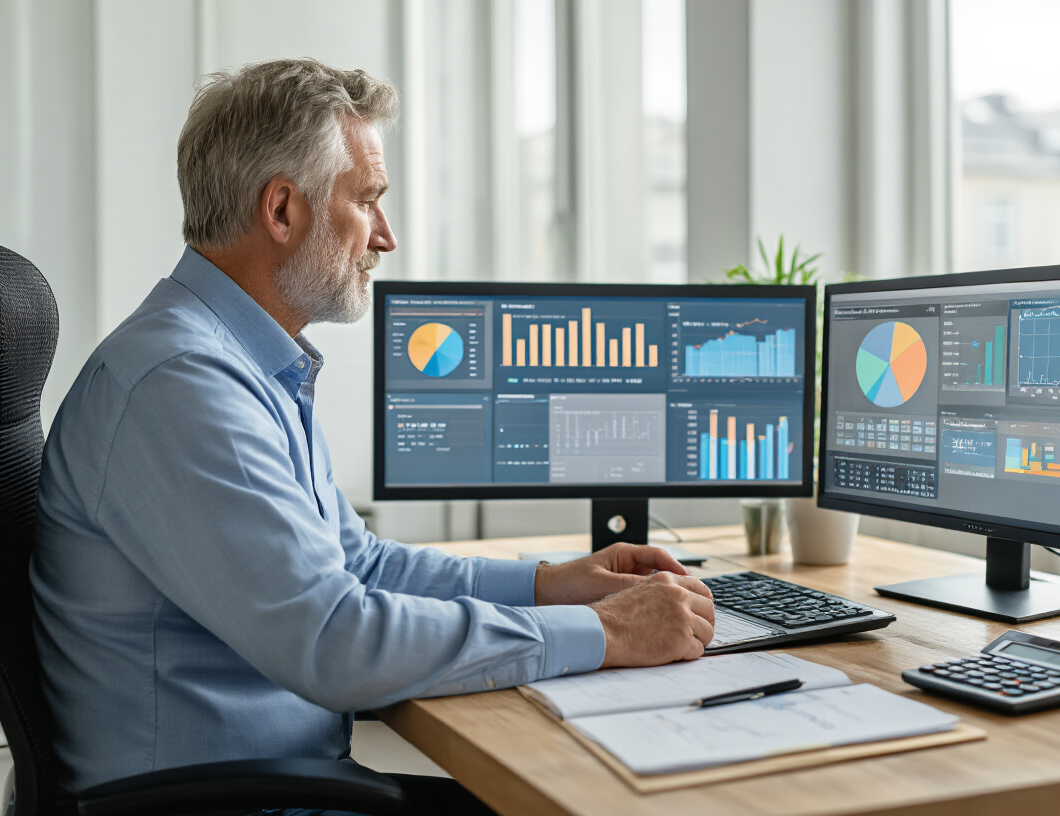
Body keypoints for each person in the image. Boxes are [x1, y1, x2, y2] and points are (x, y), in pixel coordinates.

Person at [31, 58, 715, 812]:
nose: (386, 236)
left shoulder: (245, 364)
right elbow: (334, 637)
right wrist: (601, 632)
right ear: (282, 211)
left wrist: (550, 583)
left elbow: (355, 564)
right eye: (368, 200)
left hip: (284, 783)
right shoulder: (179, 385)